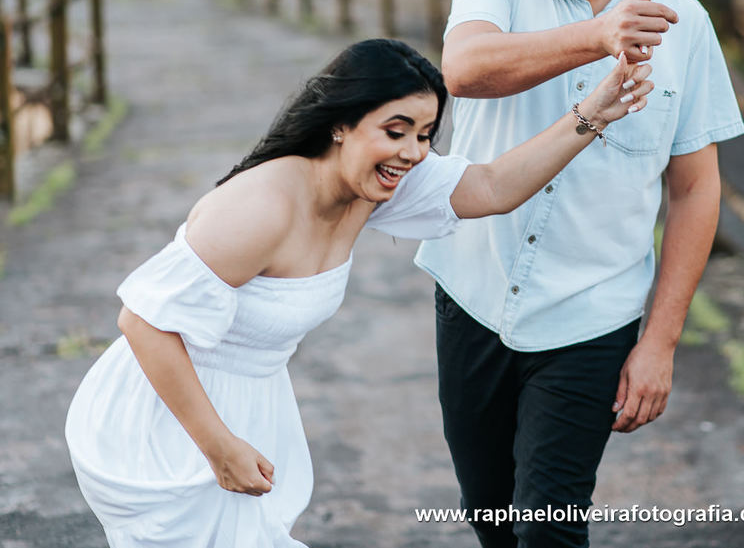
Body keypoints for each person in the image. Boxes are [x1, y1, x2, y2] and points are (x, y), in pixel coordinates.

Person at [64, 38, 652, 548]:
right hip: (168, 418)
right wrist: (217, 446)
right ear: (340, 124)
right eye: (395, 131)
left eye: (424, 135)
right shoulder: (261, 208)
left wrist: (593, 113)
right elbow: (143, 323)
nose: (413, 152)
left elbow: (493, 187)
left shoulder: (373, 186)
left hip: (246, 408)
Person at [414, 0, 744, 547]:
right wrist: (599, 36)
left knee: (548, 526)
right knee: (490, 513)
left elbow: (695, 190)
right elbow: (464, 69)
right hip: (473, 294)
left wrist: (660, 342)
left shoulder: (686, 26)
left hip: (590, 318)